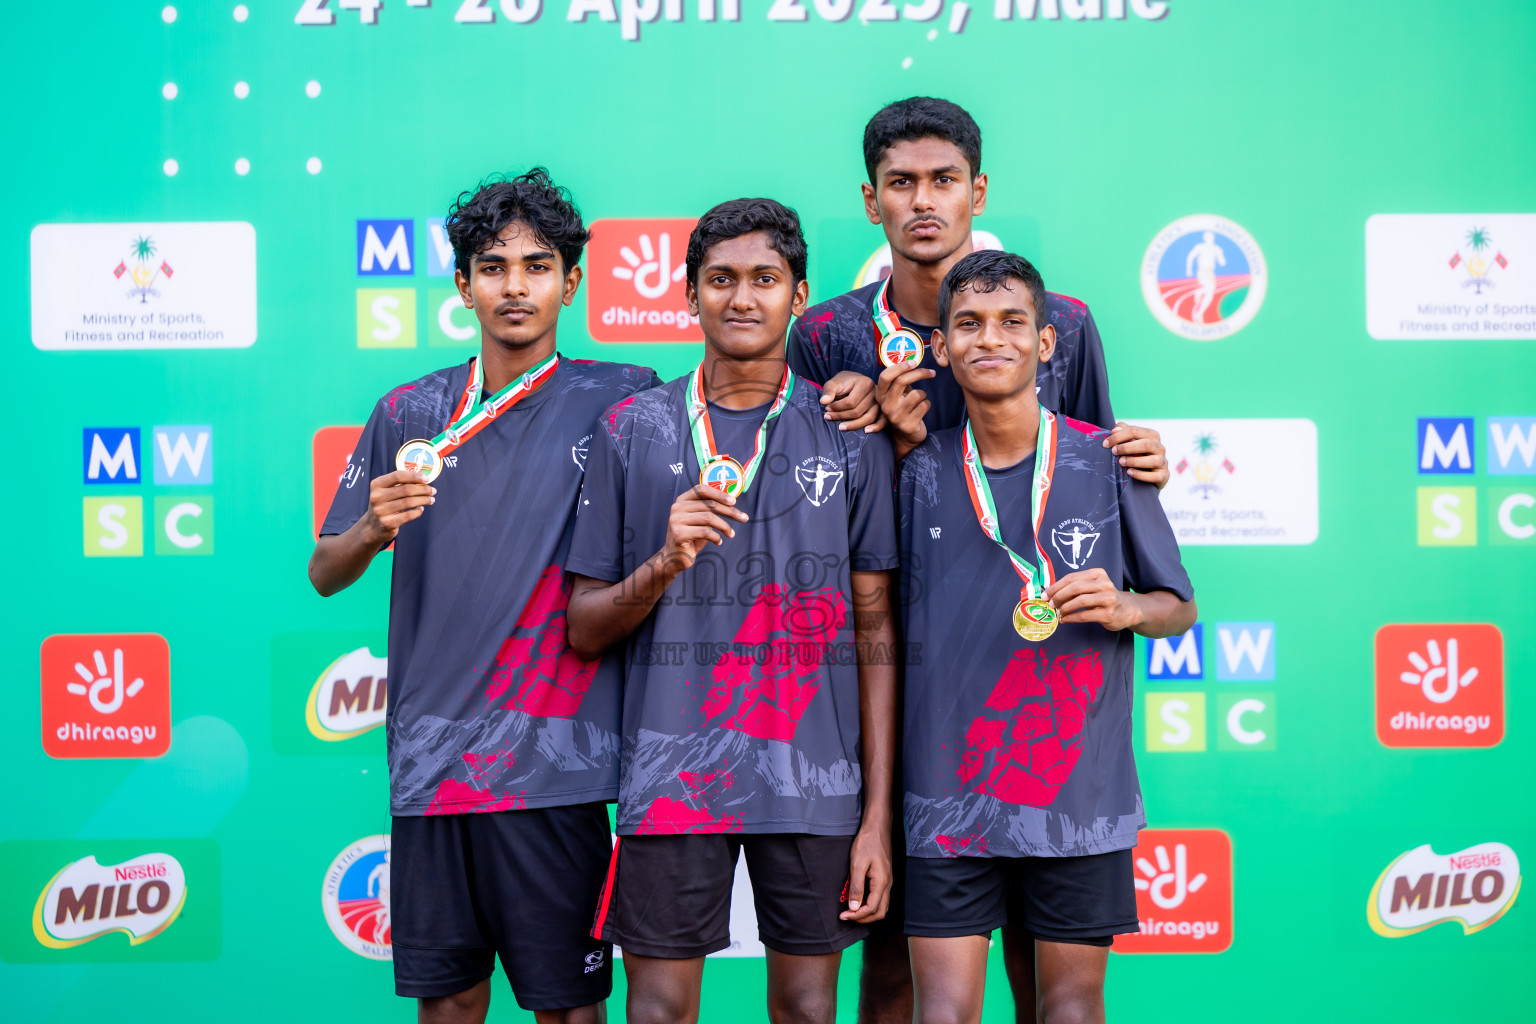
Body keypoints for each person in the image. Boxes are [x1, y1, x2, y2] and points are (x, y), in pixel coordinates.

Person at [784, 95, 1170, 1023]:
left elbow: (1084, 462)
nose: (925, 201)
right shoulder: (827, 335)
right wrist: (865, 434)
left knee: (1048, 964)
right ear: (870, 198)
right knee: (892, 959)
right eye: (903, 183)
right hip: (897, 670)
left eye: (944, 181)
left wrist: (1141, 459)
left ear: (977, 190)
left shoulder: (1062, 323)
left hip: (1036, 672)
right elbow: (802, 501)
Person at [308, 169, 660, 1024]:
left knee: (569, 1009)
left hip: (558, 768)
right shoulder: (408, 411)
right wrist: (370, 530)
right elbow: (325, 569)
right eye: (494, 266)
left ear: (571, 282)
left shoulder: (624, 397)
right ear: (462, 284)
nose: (515, 286)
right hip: (433, 767)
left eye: (538, 266)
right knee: (450, 1006)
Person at [564, 198, 898, 1024]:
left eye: (764, 279)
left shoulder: (850, 434)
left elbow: (876, 632)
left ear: (799, 294)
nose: (742, 298)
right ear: (688, 295)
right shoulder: (630, 429)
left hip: (812, 782)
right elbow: (584, 627)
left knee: (807, 1012)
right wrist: (667, 561)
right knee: (657, 1012)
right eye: (720, 279)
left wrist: (876, 819)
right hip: (673, 777)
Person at [898, 249, 1196, 1024]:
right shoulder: (912, 471)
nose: (989, 339)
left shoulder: (1112, 461)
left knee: (1067, 1010)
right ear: (941, 347)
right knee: (945, 1014)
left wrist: (1129, 608)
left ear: (1046, 343)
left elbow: (1177, 607)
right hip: (943, 795)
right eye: (967, 323)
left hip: (1076, 795)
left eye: (1011, 323)